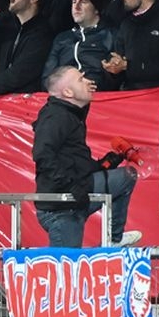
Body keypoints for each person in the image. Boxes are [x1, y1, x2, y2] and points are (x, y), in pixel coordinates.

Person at [31, 66, 141, 248]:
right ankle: (113, 240)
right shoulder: (55, 116)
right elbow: (42, 154)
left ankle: (114, 239)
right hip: (62, 205)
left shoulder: (70, 115)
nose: (88, 81)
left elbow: (72, 159)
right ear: (67, 92)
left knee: (125, 176)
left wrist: (101, 166)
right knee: (66, 262)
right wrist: (69, 186)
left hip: (75, 195)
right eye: (81, 79)